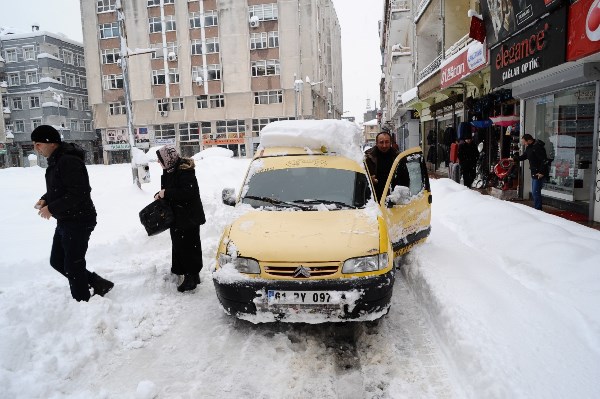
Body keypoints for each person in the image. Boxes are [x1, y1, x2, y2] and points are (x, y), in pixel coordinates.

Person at [32, 125, 113, 302]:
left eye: (38, 144)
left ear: (50, 143)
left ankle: (82, 301)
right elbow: (60, 188)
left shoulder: (68, 161)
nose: (36, 149)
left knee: (73, 264)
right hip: (66, 219)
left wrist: (52, 209)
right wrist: (45, 199)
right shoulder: (56, 160)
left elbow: (80, 191)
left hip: (79, 220)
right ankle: (96, 282)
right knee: (57, 261)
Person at [155, 145, 206, 292]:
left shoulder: (184, 171)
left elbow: (188, 192)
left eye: (160, 160)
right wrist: (160, 195)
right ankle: (190, 274)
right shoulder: (170, 170)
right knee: (181, 246)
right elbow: (171, 191)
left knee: (188, 247)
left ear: (168, 159)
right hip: (178, 216)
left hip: (188, 216)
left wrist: (167, 193)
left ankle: (191, 278)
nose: (159, 163)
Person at [514, 133, 548, 210]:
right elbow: (524, 156)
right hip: (534, 171)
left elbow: (544, 160)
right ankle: (537, 208)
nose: (523, 143)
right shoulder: (529, 147)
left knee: (535, 192)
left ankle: (538, 209)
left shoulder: (537, 147)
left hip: (539, 173)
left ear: (529, 140)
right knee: (534, 192)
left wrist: (542, 172)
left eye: (524, 142)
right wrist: (514, 159)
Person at [365, 131, 400, 201]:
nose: (384, 145)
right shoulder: (368, 157)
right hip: (374, 197)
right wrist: (369, 180)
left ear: (390, 143)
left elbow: (404, 177)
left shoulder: (398, 157)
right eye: (381, 142)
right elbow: (361, 178)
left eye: (387, 142)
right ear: (376, 143)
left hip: (394, 196)